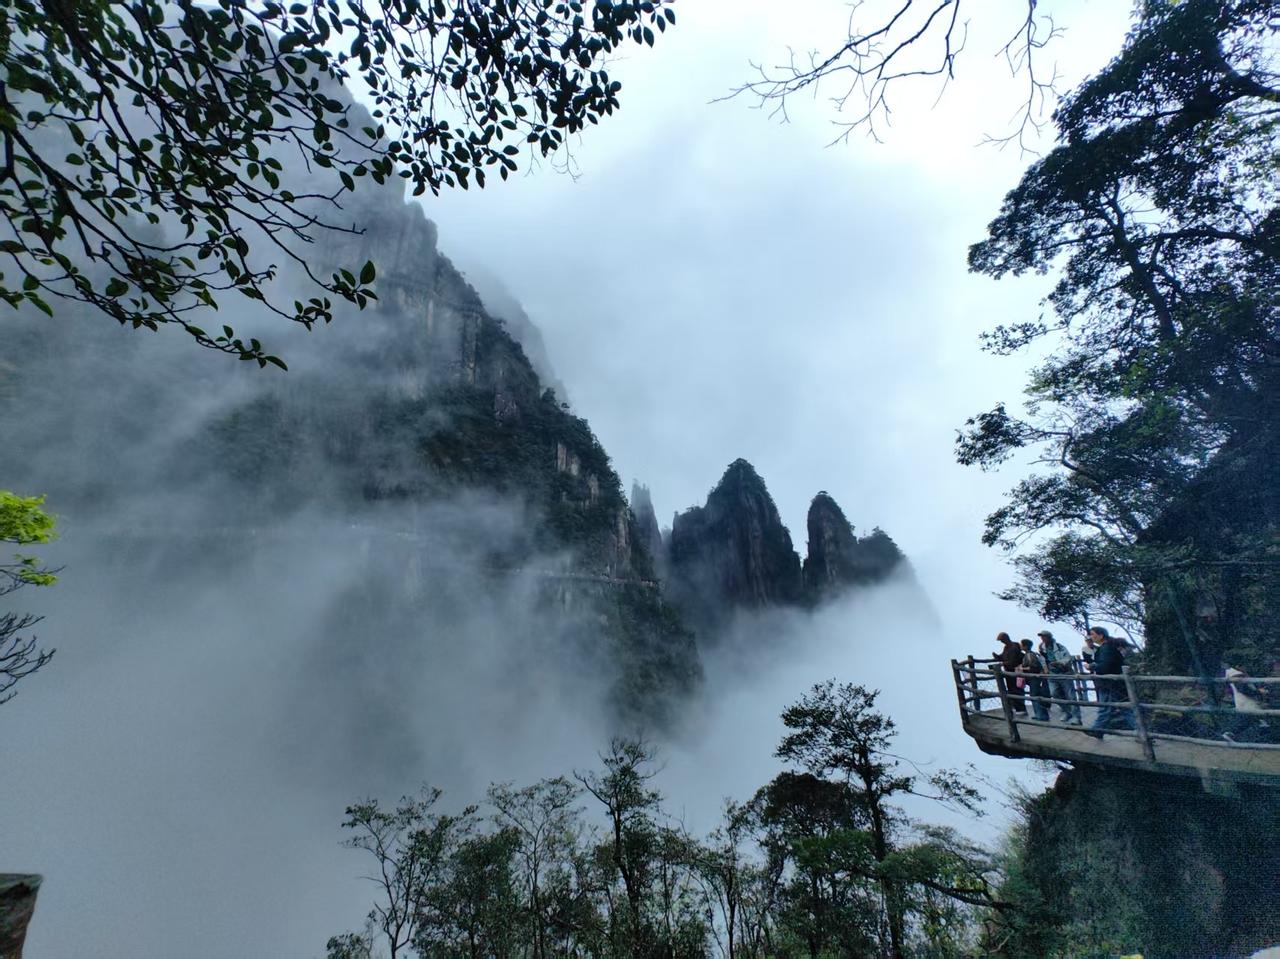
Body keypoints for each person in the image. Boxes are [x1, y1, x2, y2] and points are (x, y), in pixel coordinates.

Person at [1085, 626, 1133, 738]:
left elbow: (1105, 667)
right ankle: (1142, 732)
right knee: (1125, 708)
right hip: (1116, 682)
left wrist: (1091, 666)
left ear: (1101, 635)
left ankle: (1097, 730)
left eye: (1092, 634)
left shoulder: (1106, 648)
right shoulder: (1109, 647)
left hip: (1109, 683)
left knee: (1106, 708)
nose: (1091, 637)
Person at [1038, 630, 1082, 724]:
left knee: (1071, 695)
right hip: (1051, 674)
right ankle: (1067, 712)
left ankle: (1076, 717)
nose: (1042, 638)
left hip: (1064, 673)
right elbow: (1042, 660)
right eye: (1041, 637)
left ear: (1049, 637)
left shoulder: (1059, 647)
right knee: (1054, 694)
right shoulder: (1041, 648)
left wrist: (1059, 663)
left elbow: (1067, 658)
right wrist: (1045, 668)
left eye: (1044, 636)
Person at [993, 632, 1026, 715]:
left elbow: (1013, 661)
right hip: (1009, 672)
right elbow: (1003, 657)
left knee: (1017, 690)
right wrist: (997, 657)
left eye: (1002, 640)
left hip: (1016, 671)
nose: (1002, 642)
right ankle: (1016, 707)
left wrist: (1003, 663)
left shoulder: (1014, 647)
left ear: (1006, 638)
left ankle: (1021, 709)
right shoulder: (1006, 647)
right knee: (1011, 690)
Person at [1018, 638, 1051, 722]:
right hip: (1035, 678)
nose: (1020, 646)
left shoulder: (1029, 655)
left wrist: (1022, 668)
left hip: (1034, 678)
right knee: (1036, 695)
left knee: (1034, 695)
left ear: (1025, 646)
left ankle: (1041, 715)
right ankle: (1040, 714)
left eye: (1021, 644)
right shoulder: (1032, 654)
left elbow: (1033, 667)